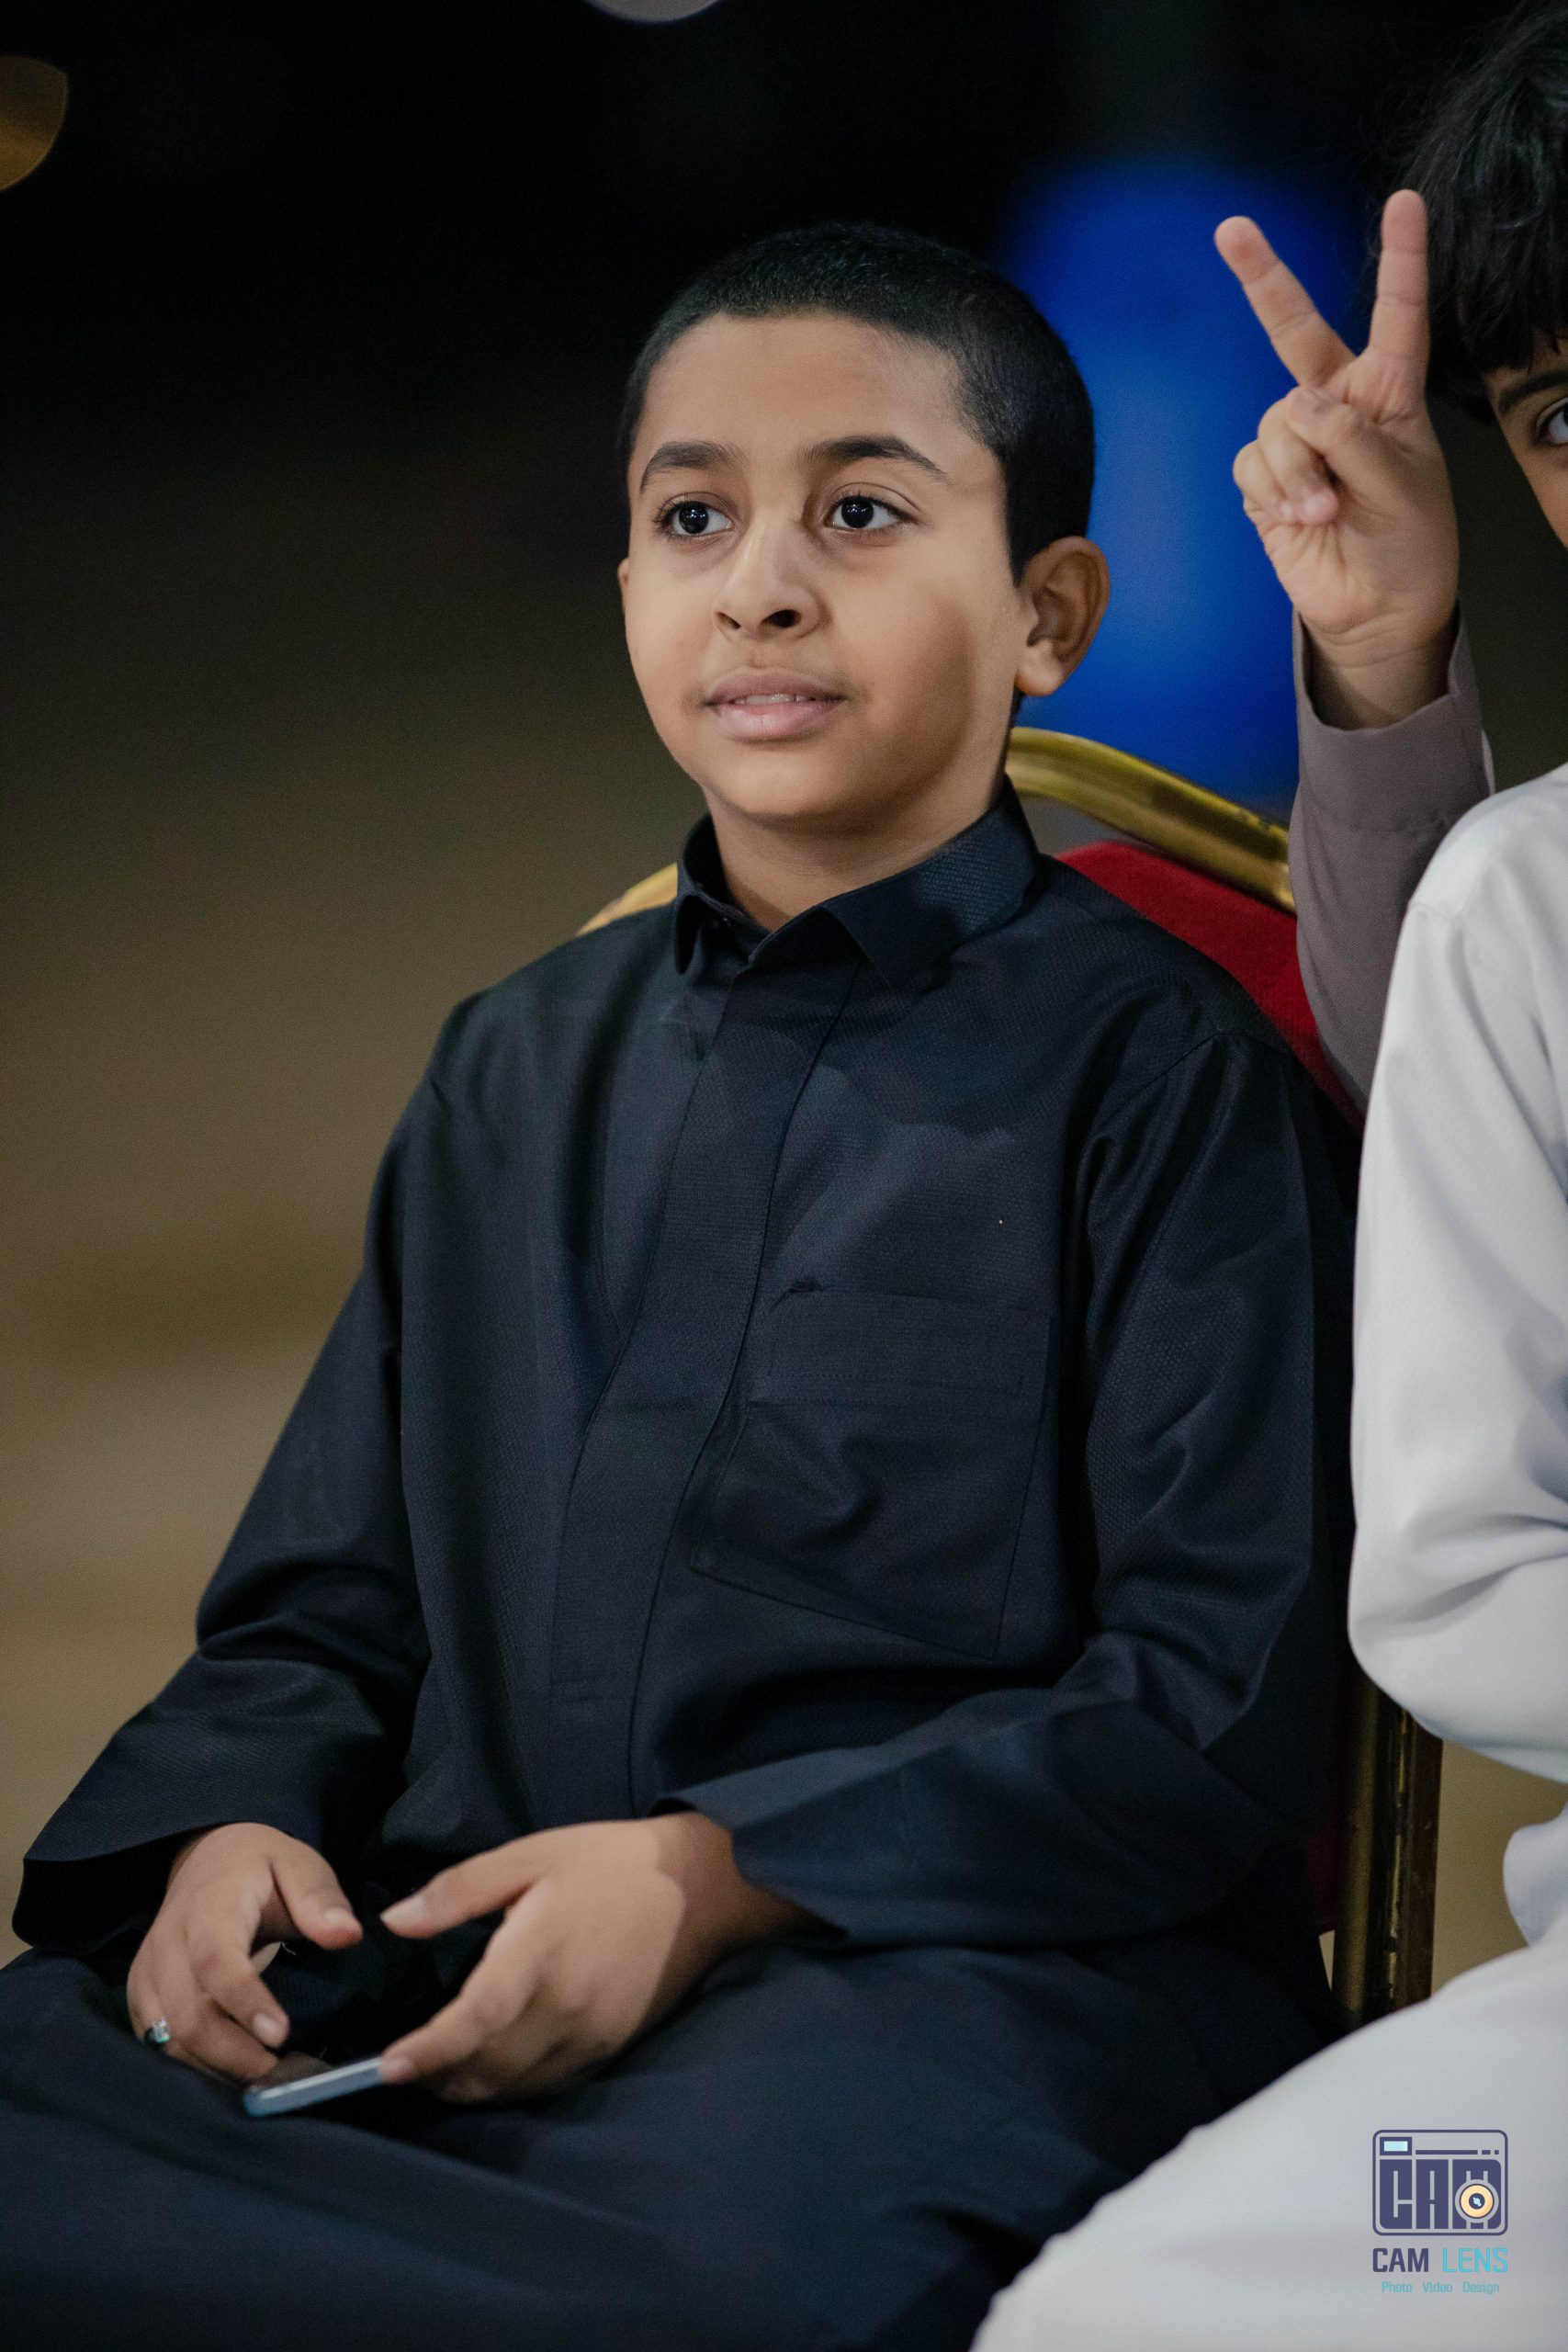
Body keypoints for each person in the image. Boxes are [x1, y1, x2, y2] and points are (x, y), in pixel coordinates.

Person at [0, 224, 1355, 2352]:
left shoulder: (1166, 1078)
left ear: (1048, 613)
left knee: (737, 2293)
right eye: (693, 517)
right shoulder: (512, 1061)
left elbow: (1206, 1691)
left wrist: (713, 1876)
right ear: (628, 580)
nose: (760, 587)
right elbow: (323, 1607)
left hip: (948, 1983)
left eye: (861, 512)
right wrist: (226, 1825)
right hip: (457, 1945)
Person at [972, 16, 1568, 2348]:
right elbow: (1451, 1559)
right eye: (1563, 417)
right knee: (1139, 2313)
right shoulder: (1522, 910)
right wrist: (1378, 654)